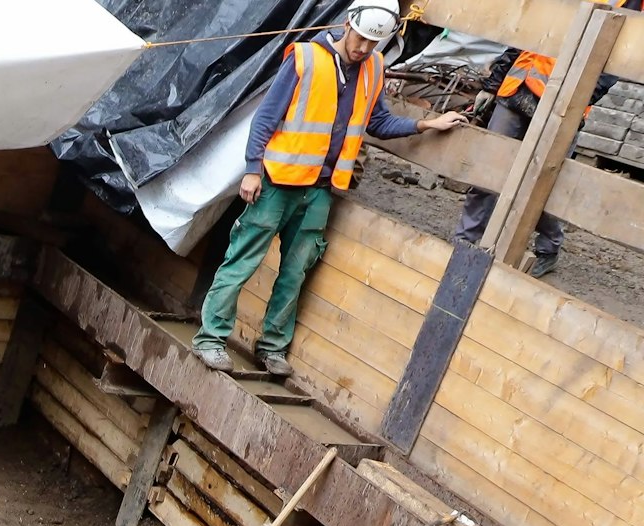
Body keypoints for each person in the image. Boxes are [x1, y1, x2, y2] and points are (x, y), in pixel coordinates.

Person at [192, 3, 466, 377]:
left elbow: (379, 122)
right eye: (361, 39)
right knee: (242, 260)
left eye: (374, 43)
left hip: (320, 190)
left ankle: (272, 348)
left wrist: (427, 125)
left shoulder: (373, 69)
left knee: (295, 272)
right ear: (347, 25)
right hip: (278, 181)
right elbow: (266, 117)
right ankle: (211, 339)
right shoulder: (305, 59)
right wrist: (253, 170)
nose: (364, 49)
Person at [455, 0, 640, 278]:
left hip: (564, 106)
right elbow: (526, 32)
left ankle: (548, 248)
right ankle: (465, 241)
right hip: (517, 90)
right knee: (488, 167)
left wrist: (580, 97)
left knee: (546, 182)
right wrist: (493, 85)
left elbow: (620, 61)